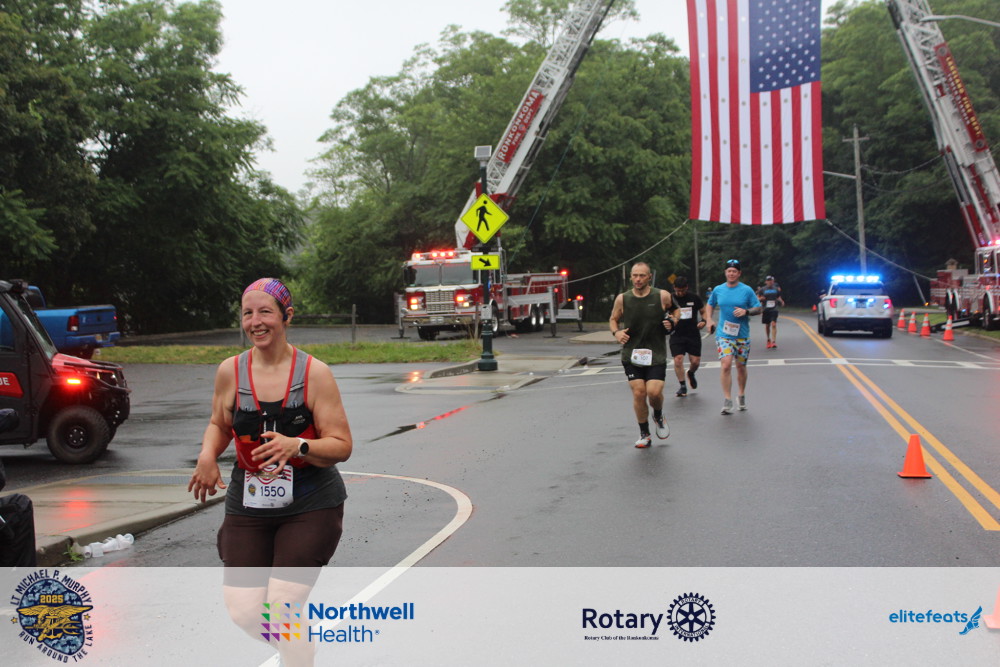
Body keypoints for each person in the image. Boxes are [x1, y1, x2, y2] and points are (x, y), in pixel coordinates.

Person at [188, 277, 352, 667]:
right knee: (246, 611)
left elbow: (342, 445)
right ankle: (300, 650)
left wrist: (299, 446)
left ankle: (296, 656)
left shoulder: (314, 373)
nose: (255, 322)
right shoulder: (230, 371)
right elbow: (219, 424)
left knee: (282, 607)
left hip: (310, 501)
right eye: (248, 314)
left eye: (265, 312)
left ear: (286, 316)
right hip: (249, 502)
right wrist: (207, 455)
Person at [609, 262, 675, 448]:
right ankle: (644, 433)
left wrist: (672, 321)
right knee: (639, 392)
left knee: (654, 393)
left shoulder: (662, 295)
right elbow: (613, 319)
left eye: (642, 275)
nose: (638, 279)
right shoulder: (623, 299)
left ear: (649, 277)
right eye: (635, 275)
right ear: (631, 277)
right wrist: (616, 332)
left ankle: (658, 415)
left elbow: (675, 311)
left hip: (656, 353)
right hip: (632, 354)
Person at [704, 260, 762, 415]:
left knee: (741, 367)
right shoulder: (718, 289)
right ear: (725, 272)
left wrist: (746, 312)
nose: (731, 274)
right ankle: (727, 400)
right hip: (724, 335)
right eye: (729, 271)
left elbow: (758, 308)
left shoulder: (746, 290)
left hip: (742, 336)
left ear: (739, 273)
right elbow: (710, 304)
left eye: (734, 271)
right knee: (726, 364)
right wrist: (709, 319)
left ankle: (741, 395)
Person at [669, 276, 709, 397]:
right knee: (678, 359)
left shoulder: (694, 298)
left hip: (692, 333)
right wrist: (668, 318)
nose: (680, 293)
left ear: (686, 287)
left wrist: (703, 321)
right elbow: (662, 312)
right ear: (674, 288)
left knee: (695, 362)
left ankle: (691, 373)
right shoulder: (670, 298)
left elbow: (703, 311)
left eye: (682, 290)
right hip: (676, 334)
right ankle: (682, 386)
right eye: (678, 290)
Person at [757, 275, 785, 349]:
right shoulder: (762, 289)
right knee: (767, 325)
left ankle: (773, 341)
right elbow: (757, 298)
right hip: (766, 309)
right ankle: (768, 339)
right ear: (766, 282)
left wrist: (781, 301)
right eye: (768, 280)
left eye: (771, 280)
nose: (770, 282)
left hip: (774, 308)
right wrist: (761, 299)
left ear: (773, 281)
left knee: (773, 324)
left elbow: (778, 296)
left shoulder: (776, 289)